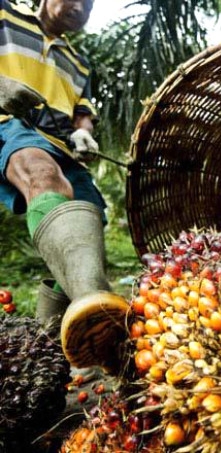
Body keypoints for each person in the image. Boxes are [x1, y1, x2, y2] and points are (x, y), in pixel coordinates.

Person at [0, 0, 128, 373]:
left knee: (87, 223)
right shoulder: (5, 14)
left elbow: (82, 116)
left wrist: (82, 134)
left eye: (89, 5)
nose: (81, 7)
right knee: (40, 175)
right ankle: (99, 316)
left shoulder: (79, 62)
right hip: (9, 124)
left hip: (62, 149)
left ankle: (49, 357)